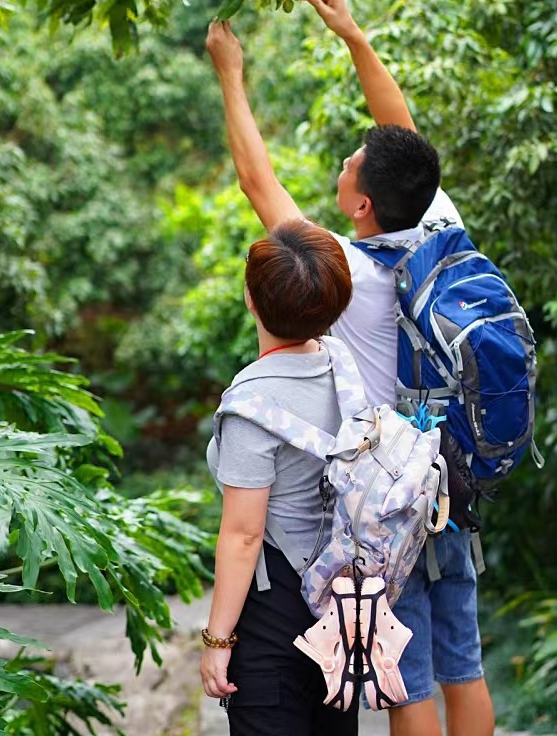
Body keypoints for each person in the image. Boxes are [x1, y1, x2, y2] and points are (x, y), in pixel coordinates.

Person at [205, 0, 495, 736]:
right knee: (466, 664)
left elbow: (256, 182)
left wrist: (231, 75)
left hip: (384, 502)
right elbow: (407, 146)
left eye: (349, 165)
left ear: (361, 204)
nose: (344, 164)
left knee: (410, 681)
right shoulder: (439, 229)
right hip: (449, 477)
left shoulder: (344, 272)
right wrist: (355, 38)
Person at [199, 219, 358, 735]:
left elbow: (244, 535)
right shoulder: (343, 366)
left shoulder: (249, 404)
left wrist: (218, 642)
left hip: (275, 615)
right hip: (343, 607)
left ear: (251, 298)